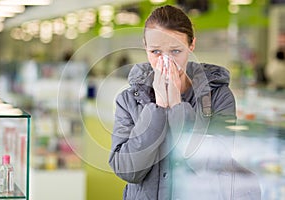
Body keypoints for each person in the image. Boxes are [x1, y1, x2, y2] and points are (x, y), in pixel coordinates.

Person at [109, 5, 261, 200]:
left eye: (175, 51)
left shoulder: (219, 97)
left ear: (192, 45)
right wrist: (158, 108)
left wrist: (176, 105)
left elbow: (215, 163)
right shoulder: (128, 100)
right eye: (156, 52)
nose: (166, 62)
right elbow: (127, 171)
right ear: (145, 47)